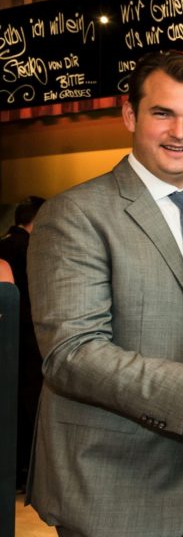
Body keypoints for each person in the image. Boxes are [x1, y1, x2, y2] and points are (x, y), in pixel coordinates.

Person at [26, 50, 183, 537]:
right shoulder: (76, 214)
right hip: (120, 483)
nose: (181, 132)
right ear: (130, 115)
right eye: (163, 113)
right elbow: (72, 354)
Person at [0, 195, 45, 490]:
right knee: (27, 405)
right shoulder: (30, 248)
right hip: (26, 342)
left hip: (9, 343)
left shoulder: (4, 243)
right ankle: (23, 471)